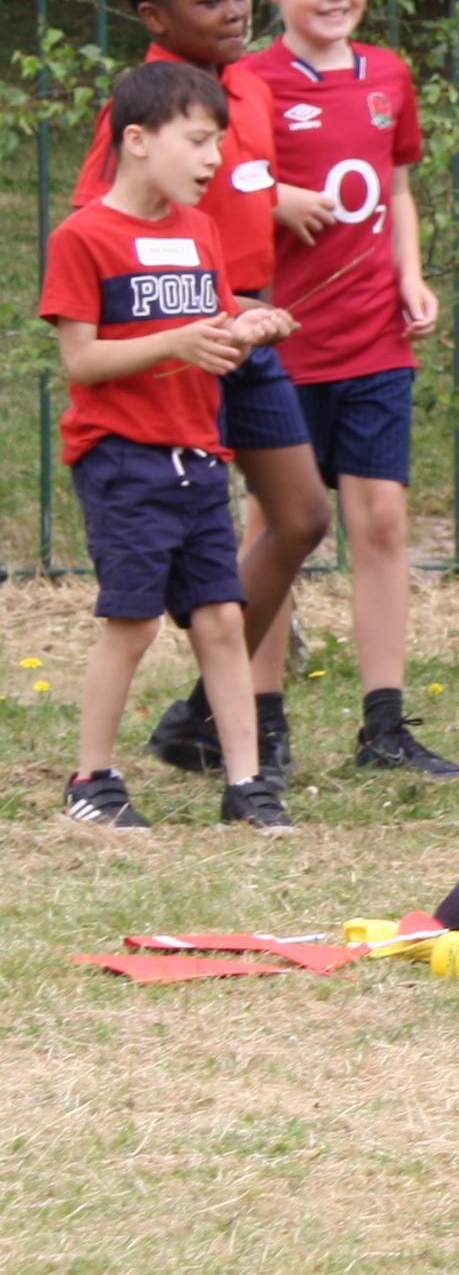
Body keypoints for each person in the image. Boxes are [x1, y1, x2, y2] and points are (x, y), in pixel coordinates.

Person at [158, 0, 455, 781]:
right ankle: (263, 717)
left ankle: (385, 724)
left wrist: (411, 275)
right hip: (281, 338)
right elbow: (218, 181)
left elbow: (395, 188)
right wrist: (276, 198)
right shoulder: (246, 81)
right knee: (278, 525)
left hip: (375, 337)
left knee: (382, 518)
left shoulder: (388, 75)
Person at [39, 62, 297, 832]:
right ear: (139, 140)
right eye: (199, 140)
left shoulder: (200, 230)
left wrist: (249, 322)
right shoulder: (82, 238)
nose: (214, 158)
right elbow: (82, 360)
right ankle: (92, 781)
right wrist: (175, 343)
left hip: (199, 456)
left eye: (219, 142)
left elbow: (212, 316)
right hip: (123, 459)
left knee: (220, 617)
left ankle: (246, 785)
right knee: (135, 621)